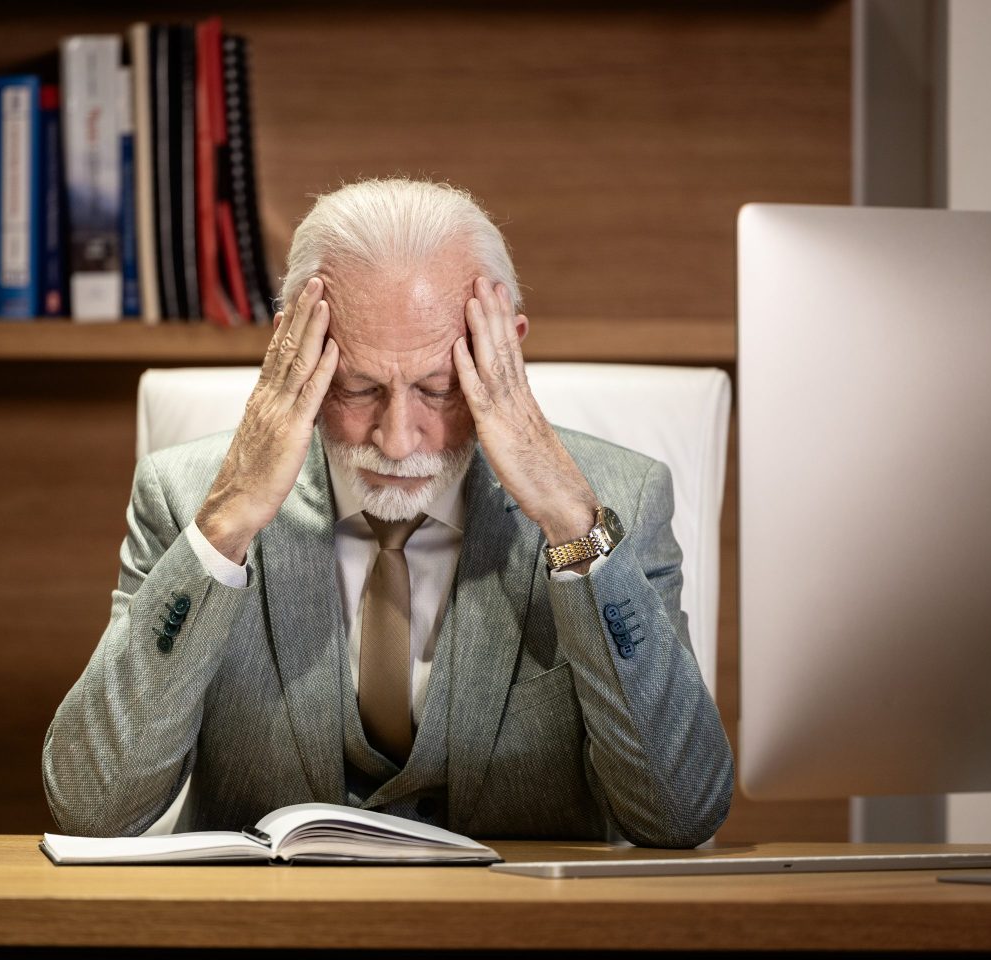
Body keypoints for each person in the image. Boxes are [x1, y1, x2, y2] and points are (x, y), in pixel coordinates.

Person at [43, 178, 733, 846]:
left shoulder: (618, 501)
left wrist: (573, 529)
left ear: (506, 351)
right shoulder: (185, 497)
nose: (398, 440)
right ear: (292, 351)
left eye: (438, 388)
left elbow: (680, 811)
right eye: (358, 388)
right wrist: (224, 529)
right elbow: (94, 807)